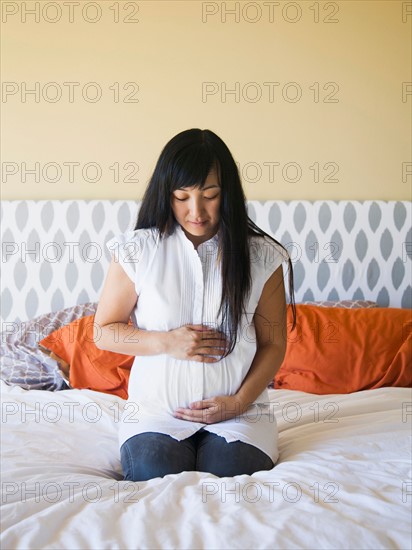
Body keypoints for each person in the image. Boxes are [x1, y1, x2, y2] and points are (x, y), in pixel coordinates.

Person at [94, 128, 296, 481]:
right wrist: (165, 341)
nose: (196, 210)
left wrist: (238, 402)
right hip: (156, 414)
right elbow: (104, 332)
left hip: (240, 416)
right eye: (182, 196)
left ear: (227, 193)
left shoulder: (264, 256)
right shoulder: (136, 250)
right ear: (166, 194)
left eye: (210, 195)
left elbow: (274, 343)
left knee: (229, 474)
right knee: (155, 471)